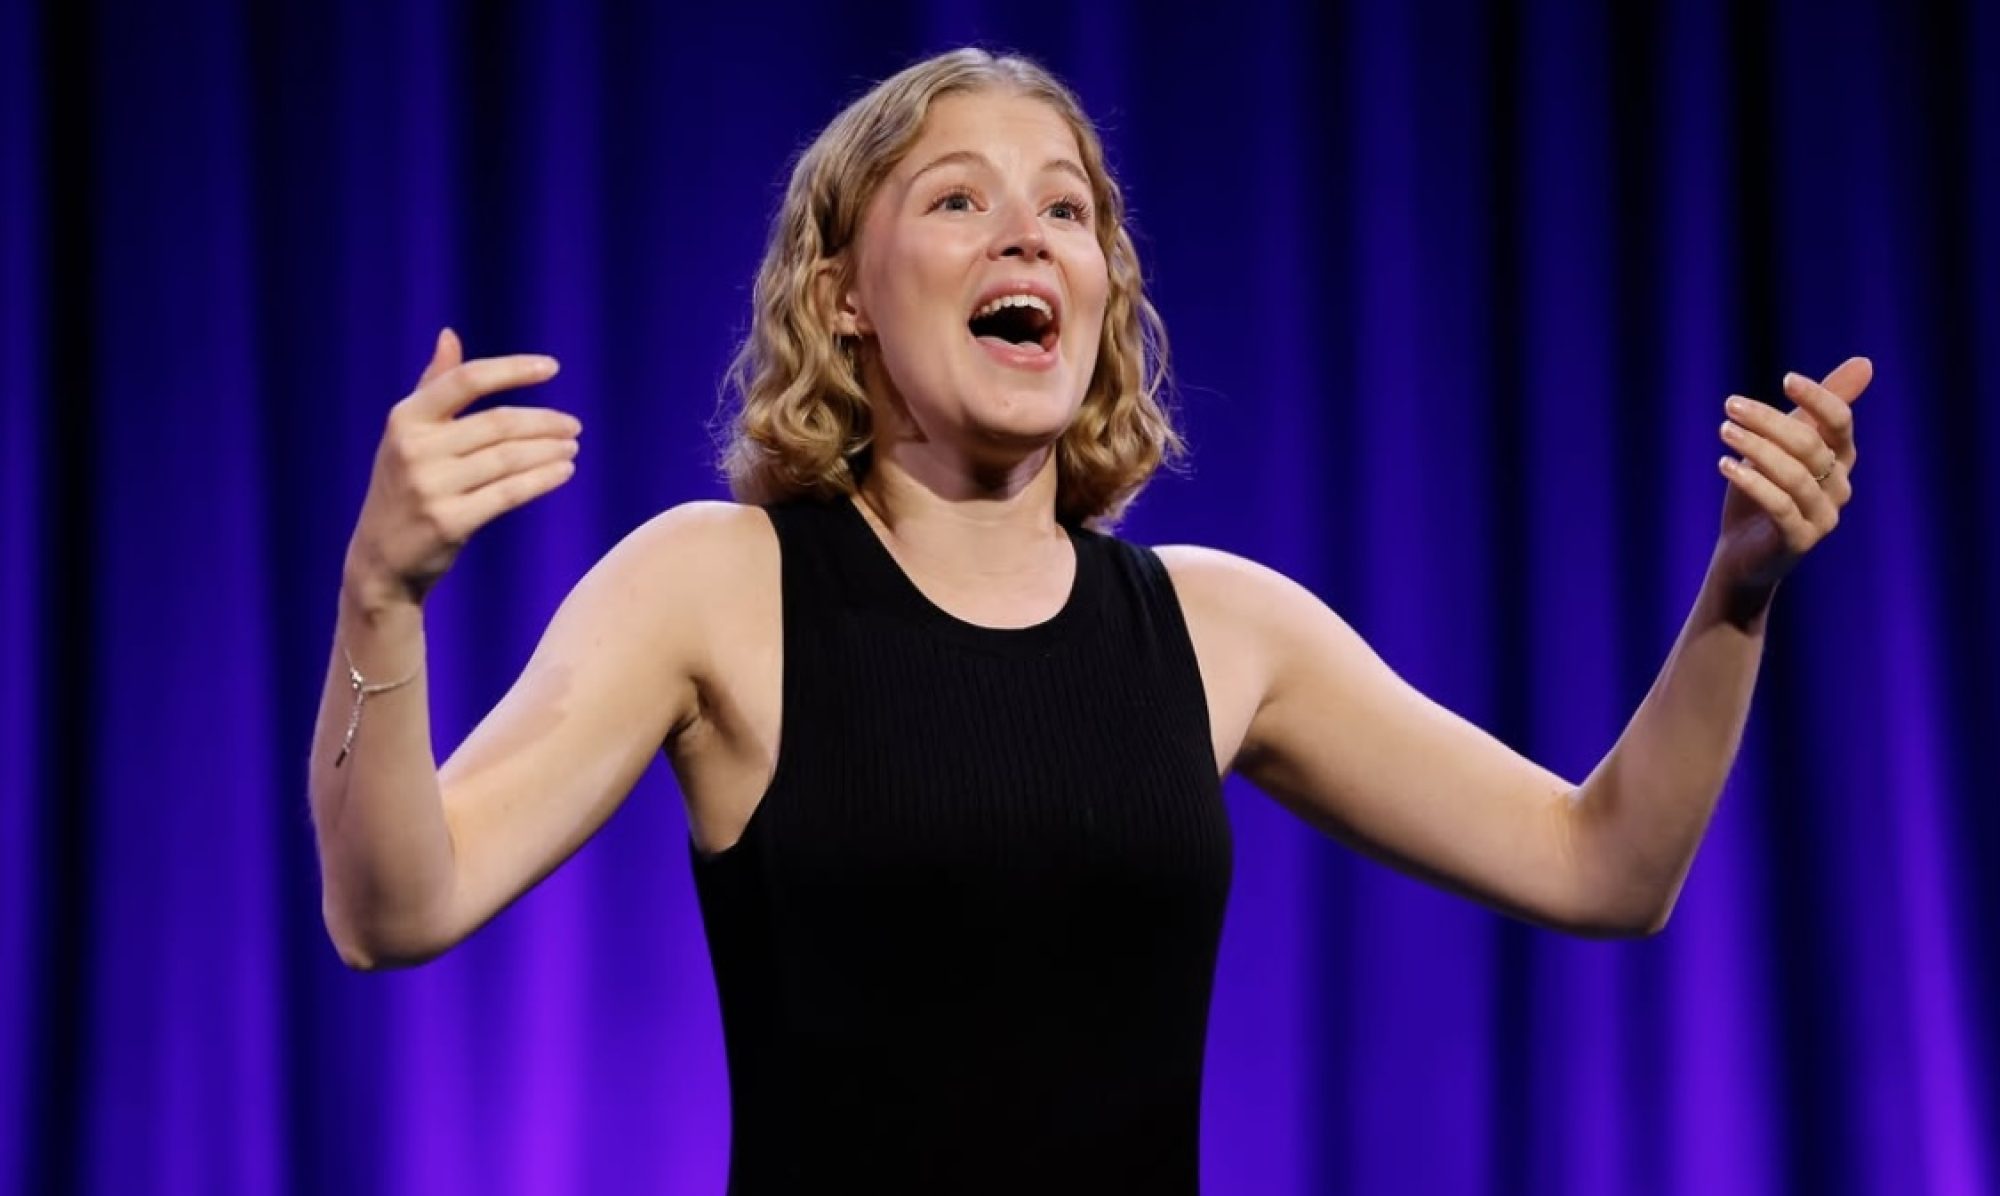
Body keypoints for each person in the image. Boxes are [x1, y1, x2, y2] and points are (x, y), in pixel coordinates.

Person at [309, 47, 1871, 1195]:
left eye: (1066, 209)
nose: (1027, 236)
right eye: (958, 199)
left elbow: (1607, 867)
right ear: (843, 294)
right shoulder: (715, 584)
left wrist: (1740, 590)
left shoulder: (1221, 627)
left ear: (1101, 290)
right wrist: (382, 597)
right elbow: (397, 908)